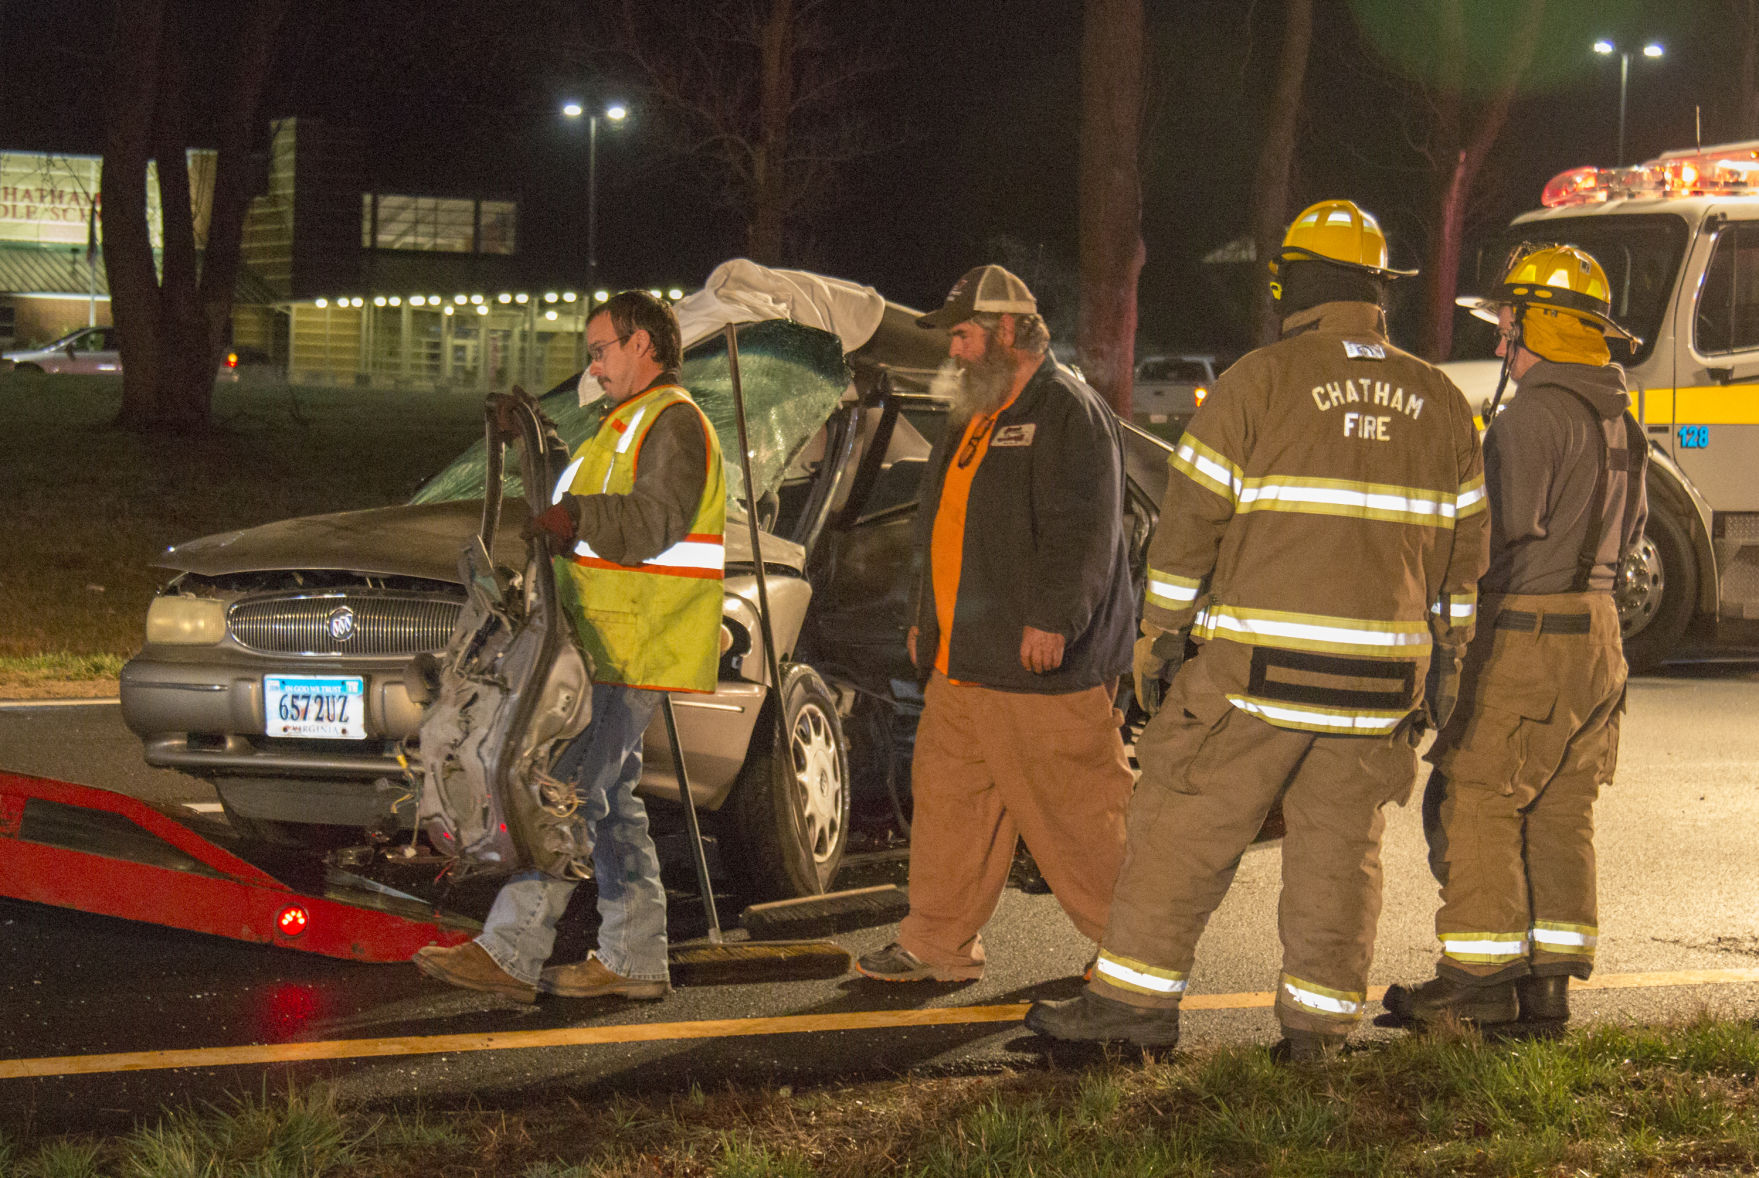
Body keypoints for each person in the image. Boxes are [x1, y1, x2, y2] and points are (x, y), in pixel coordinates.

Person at [1025, 200, 1490, 1059]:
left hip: (1256, 680)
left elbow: (1186, 532)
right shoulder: (1441, 402)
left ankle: (1130, 1012)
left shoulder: (1258, 383)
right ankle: (1314, 1033)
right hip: (1381, 688)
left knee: (1179, 829)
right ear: (1376, 290)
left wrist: (1156, 640)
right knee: (1340, 856)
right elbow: (1464, 563)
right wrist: (1448, 665)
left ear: (1294, 283)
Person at [413, 290, 726, 1003]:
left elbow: (654, 520)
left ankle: (511, 950)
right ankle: (635, 959)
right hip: (604, 642)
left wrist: (577, 514)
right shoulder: (620, 425)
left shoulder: (672, 423)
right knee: (609, 803)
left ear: (642, 344)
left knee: (560, 797)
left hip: (630, 646)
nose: (593, 363)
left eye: (601, 348)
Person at [1384, 244, 1646, 1030]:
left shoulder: (1530, 417)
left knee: (1480, 800)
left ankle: (1475, 986)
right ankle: (1546, 990)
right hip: (1599, 640)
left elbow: (1487, 545)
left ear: (1544, 327)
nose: (1501, 343)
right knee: (1560, 808)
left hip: (1527, 634)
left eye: (1510, 326)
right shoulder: (1619, 419)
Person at [853, 264, 1136, 983]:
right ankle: (935, 943)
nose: (954, 350)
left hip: (1041, 664)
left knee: (1079, 818)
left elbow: (1086, 532)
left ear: (1011, 330)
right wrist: (926, 619)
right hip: (963, 660)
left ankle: (1137, 953)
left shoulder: (1068, 409)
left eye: (966, 334)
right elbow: (937, 529)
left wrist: (1053, 621)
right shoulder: (974, 413)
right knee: (950, 805)